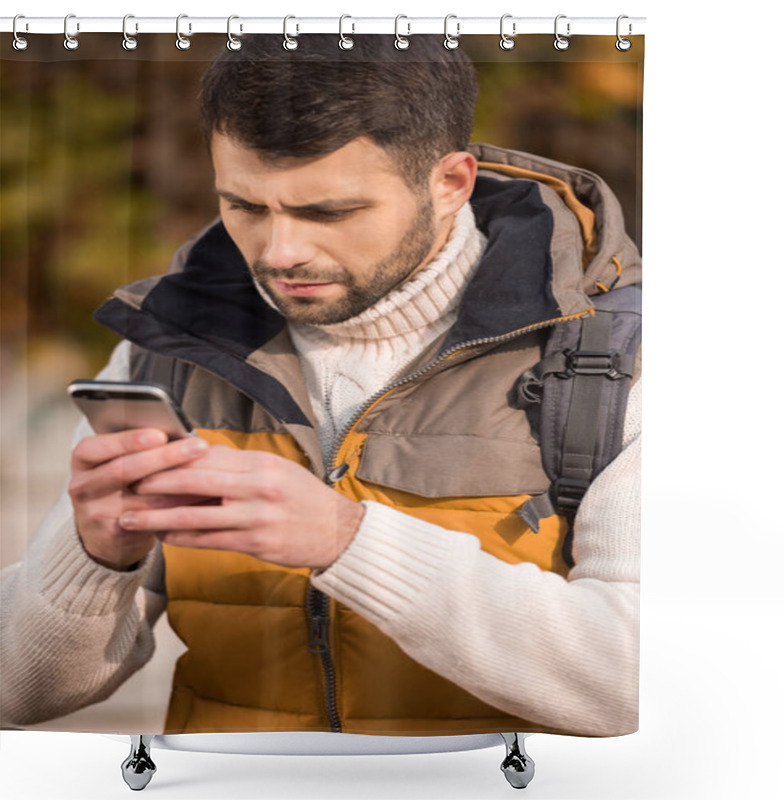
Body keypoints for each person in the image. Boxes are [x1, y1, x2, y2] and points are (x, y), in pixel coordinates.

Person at [0, 35, 641, 739]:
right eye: (243, 206)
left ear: (450, 183)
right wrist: (92, 560)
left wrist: (350, 542)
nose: (280, 254)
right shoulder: (166, 351)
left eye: (328, 213)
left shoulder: (624, 362)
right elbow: (18, 693)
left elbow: (644, 686)